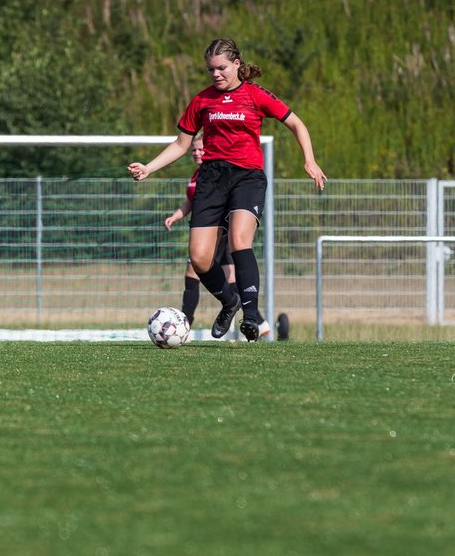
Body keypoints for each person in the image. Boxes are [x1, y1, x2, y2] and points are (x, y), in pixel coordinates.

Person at [130, 38, 326, 341]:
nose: (216, 74)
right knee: (199, 258)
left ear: (237, 64)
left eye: (221, 68)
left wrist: (309, 160)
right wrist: (149, 168)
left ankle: (250, 316)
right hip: (211, 179)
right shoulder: (202, 100)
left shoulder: (255, 95)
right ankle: (230, 301)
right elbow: (182, 144)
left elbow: (297, 124)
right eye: (211, 69)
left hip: (246, 177)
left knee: (238, 240)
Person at [162, 132, 240, 332]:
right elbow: (191, 201)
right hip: (207, 229)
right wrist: (176, 215)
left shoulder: (218, 173)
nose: (196, 153)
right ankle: (259, 323)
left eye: (200, 149)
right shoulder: (199, 174)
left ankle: (184, 325)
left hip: (216, 230)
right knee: (229, 280)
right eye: (193, 150)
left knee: (194, 271)